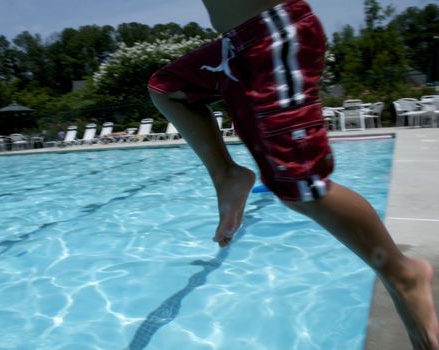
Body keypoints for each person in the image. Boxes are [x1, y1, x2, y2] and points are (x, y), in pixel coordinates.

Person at [147, 0, 439, 348]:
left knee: (300, 186)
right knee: (166, 87)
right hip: (235, 46)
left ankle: (403, 274)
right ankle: (227, 175)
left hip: (273, 36)